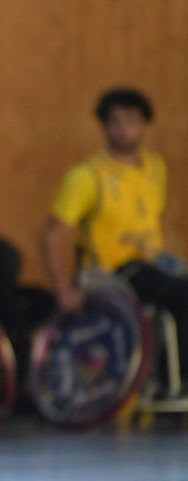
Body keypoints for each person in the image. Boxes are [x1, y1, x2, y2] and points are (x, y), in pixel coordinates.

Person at [41, 87, 188, 384]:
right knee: (182, 293)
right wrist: (63, 290)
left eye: (132, 122)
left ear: (146, 126)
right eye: (115, 122)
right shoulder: (87, 176)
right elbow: (52, 236)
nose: (124, 130)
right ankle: (179, 382)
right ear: (104, 127)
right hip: (110, 273)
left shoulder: (154, 168)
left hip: (151, 264)